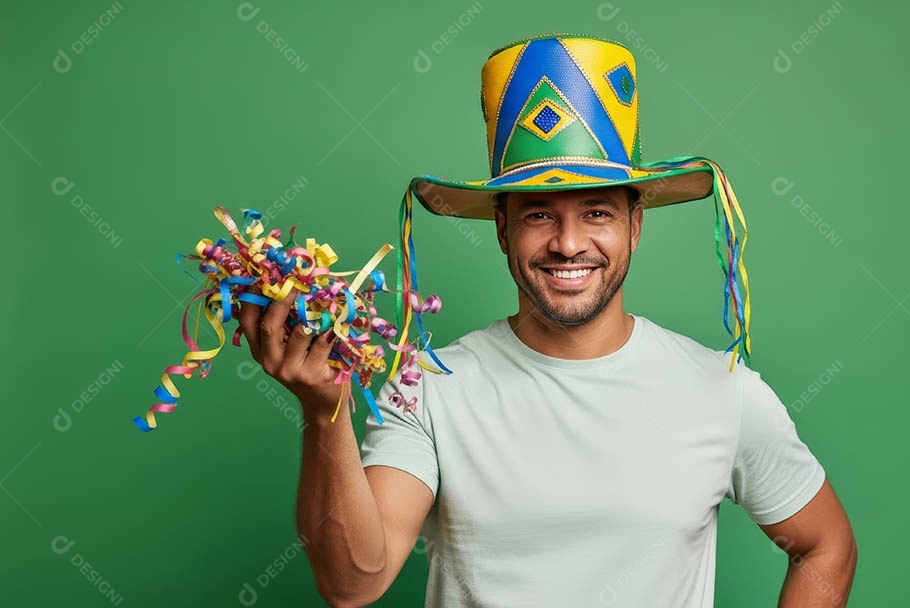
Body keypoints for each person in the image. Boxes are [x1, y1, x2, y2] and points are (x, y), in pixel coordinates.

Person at [238, 34, 856, 607]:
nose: (567, 243)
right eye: (538, 214)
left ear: (634, 227)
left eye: (596, 212)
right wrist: (326, 411)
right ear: (502, 228)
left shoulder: (720, 389)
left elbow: (826, 545)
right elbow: (354, 582)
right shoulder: (429, 383)